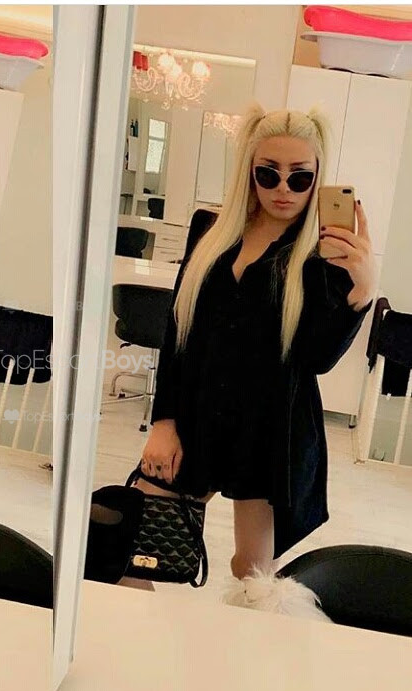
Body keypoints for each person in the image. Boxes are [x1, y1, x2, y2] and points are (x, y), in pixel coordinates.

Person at [138, 105, 375, 581]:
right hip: (198, 416)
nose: (283, 189)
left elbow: (316, 359)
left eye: (300, 177)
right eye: (269, 174)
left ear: (317, 177)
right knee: (141, 552)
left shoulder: (320, 255)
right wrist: (163, 422)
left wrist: (361, 292)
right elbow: (178, 335)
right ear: (250, 172)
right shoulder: (210, 233)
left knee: (253, 573)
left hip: (271, 429)